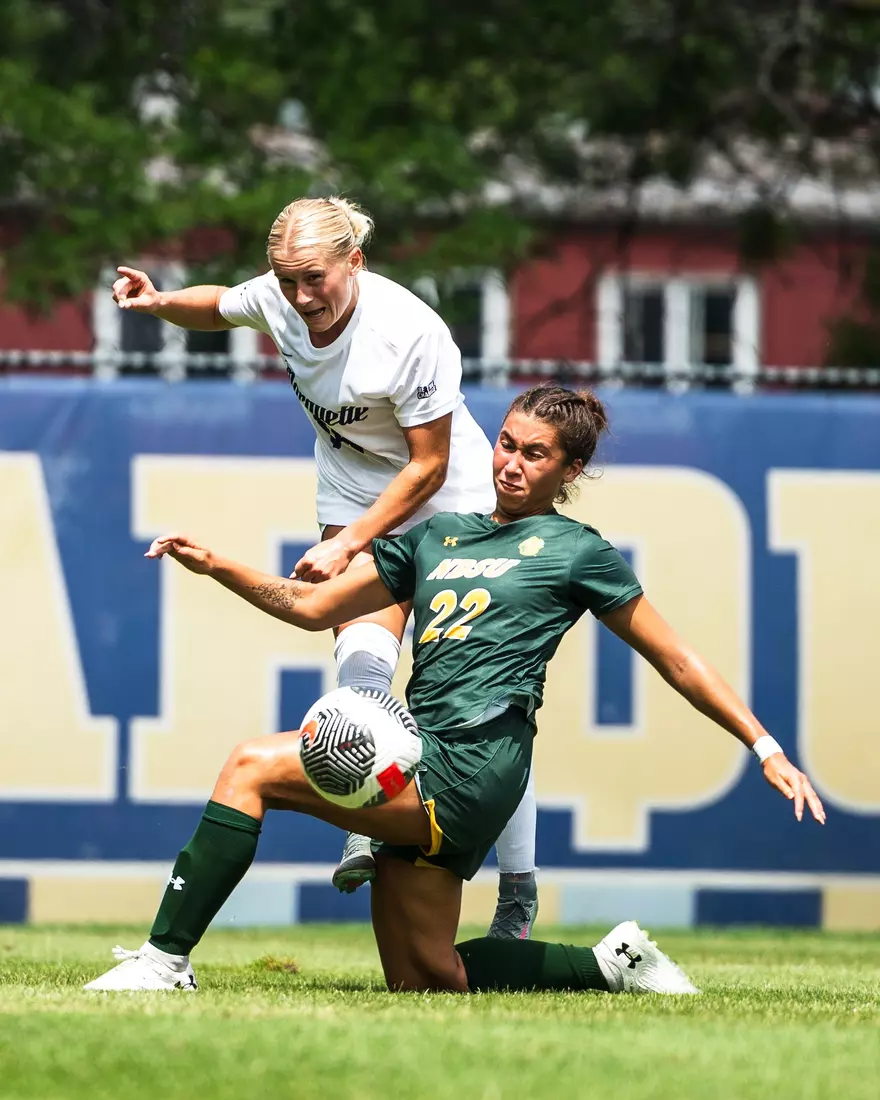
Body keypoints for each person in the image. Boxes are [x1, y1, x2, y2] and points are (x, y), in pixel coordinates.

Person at [85, 383, 825, 996]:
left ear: (570, 472)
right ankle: (611, 964)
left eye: (536, 455)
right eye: (507, 443)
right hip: (420, 749)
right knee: (427, 979)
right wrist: (219, 565)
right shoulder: (437, 537)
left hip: (476, 765)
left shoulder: (577, 551)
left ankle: (164, 961)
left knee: (252, 766)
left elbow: (679, 661)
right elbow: (312, 609)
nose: (511, 464)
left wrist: (763, 745)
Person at [111, 196, 539, 938]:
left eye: (315, 279)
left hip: (449, 497)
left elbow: (429, 465)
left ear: (356, 263)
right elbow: (219, 306)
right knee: (361, 655)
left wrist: (349, 545)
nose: (301, 297)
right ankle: (369, 818)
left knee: (477, 703)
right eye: (286, 280)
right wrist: (159, 304)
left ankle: (518, 886)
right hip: (353, 487)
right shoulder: (280, 298)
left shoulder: (409, 332)